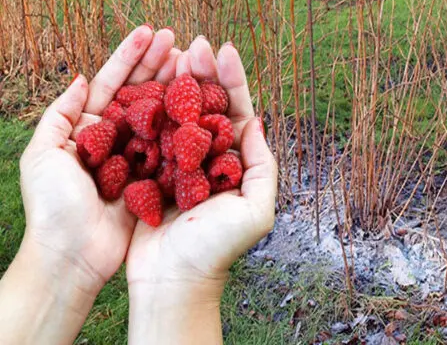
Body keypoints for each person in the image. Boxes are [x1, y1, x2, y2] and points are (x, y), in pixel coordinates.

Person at [0, 25, 277, 345]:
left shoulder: (186, 143)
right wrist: (59, 251)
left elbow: (188, 147)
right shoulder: (139, 144)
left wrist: (183, 281)